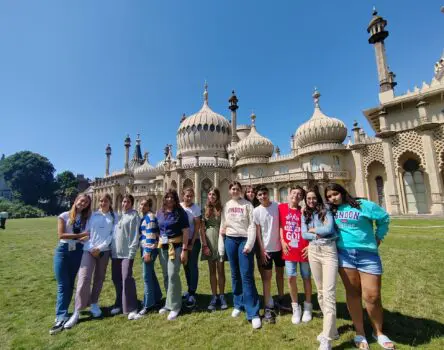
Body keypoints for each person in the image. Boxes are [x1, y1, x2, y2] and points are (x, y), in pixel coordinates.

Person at [324, 183, 394, 350]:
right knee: (353, 293)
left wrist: (379, 237)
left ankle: (378, 332)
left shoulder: (363, 205)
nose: (333, 198)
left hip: (367, 255)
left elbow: (384, 218)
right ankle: (360, 331)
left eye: (335, 194)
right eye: (329, 197)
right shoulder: (332, 211)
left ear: (342, 192)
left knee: (373, 296)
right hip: (345, 255)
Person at [64, 193, 116, 329]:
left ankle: (94, 303)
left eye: (105, 201)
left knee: (99, 278)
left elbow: (112, 235)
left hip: (103, 251)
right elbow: (87, 232)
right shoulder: (92, 215)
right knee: (84, 278)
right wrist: (92, 246)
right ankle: (77, 311)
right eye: (100, 201)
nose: (102, 203)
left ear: (110, 202)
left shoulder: (114, 217)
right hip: (89, 249)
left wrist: (100, 248)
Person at [219, 181, 261, 329]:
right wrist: (221, 246)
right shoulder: (227, 206)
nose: (235, 191)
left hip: (244, 240)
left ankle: (253, 312)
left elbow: (251, 226)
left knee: (247, 275)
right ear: (230, 191)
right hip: (230, 240)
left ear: (241, 191)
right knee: (235, 274)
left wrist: (249, 244)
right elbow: (223, 226)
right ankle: (238, 304)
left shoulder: (247, 205)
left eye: (237, 189)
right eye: (233, 189)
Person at [302, 187, 338, 350]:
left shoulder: (326, 210)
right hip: (313, 251)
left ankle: (327, 338)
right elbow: (304, 234)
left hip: (328, 251)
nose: (311, 201)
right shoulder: (306, 214)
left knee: (329, 293)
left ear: (318, 198)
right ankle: (333, 329)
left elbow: (329, 229)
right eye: (308, 199)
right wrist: (315, 234)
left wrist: (314, 230)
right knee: (321, 293)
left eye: (313, 198)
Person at [50, 194, 91, 335]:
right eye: (81, 201)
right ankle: (60, 316)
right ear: (75, 200)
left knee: (71, 283)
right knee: (63, 284)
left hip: (77, 251)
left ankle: (70, 313)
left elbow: (88, 233)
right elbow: (61, 235)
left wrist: (84, 237)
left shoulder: (85, 218)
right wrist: (80, 236)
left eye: (86, 202)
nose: (83, 203)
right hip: (63, 251)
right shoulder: (64, 215)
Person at [278, 186, 313, 324]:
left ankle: (308, 306)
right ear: (289, 194)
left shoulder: (304, 211)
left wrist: (310, 245)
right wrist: (282, 241)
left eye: (299, 194)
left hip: (303, 248)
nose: (296, 196)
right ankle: (295, 307)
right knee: (291, 277)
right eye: (294, 193)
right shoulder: (281, 208)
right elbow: (281, 225)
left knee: (306, 277)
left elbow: (311, 228)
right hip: (288, 249)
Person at [157, 189, 189, 321]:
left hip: (175, 247)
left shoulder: (180, 213)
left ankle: (176, 306)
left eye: (172, 197)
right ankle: (168, 303)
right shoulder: (160, 213)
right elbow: (158, 229)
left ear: (175, 199)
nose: (169, 199)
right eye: (167, 197)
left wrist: (184, 250)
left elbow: (186, 231)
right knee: (166, 276)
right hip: (163, 248)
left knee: (172, 275)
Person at [253, 185, 284, 324]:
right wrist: (261, 249)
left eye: (264, 193)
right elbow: (258, 232)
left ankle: (282, 299)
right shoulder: (256, 211)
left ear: (268, 194)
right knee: (267, 278)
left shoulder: (277, 206)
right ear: (257, 197)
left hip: (280, 247)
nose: (262, 196)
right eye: (259, 195)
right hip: (267, 249)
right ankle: (267, 305)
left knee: (280, 274)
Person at [110, 194, 140, 320]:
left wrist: (132, 251)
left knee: (126, 278)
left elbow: (134, 235)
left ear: (131, 203)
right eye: (123, 201)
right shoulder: (118, 216)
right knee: (116, 278)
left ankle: (132, 307)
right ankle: (119, 303)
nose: (124, 204)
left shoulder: (134, 216)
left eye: (127, 202)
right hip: (116, 253)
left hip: (127, 253)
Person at [200, 187, 227, 311]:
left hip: (220, 241)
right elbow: (202, 230)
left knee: (220, 270)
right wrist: (204, 246)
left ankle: (222, 296)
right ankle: (214, 296)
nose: (211, 196)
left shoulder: (222, 209)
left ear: (217, 196)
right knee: (212, 271)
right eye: (210, 194)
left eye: (214, 194)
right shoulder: (204, 210)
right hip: (209, 242)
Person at [138, 198, 162, 316]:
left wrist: (147, 251)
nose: (142, 206)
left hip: (149, 249)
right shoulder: (145, 217)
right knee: (151, 274)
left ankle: (148, 305)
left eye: (145, 205)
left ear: (149, 206)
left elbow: (151, 235)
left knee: (146, 277)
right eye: (141, 204)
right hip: (147, 248)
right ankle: (157, 297)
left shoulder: (150, 217)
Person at [180, 187, 201, 309]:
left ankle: (193, 292)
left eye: (191, 196)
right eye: (187, 196)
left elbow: (197, 227)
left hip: (193, 240)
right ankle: (189, 289)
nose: (188, 198)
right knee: (185, 265)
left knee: (192, 266)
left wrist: (192, 243)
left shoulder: (196, 208)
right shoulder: (179, 206)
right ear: (183, 195)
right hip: (182, 240)